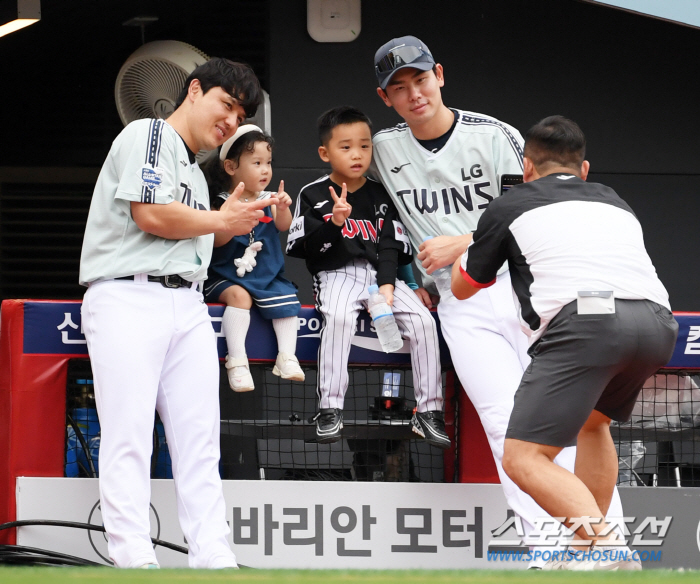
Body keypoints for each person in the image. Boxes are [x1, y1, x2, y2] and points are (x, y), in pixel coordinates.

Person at [370, 35, 624, 562]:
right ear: (386, 97)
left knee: (567, 420)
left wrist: (464, 241)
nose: (414, 93)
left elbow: (536, 206)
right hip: (459, 301)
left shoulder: (495, 135)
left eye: (419, 78)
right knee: (504, 427)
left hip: (522, 285)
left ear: (438, 74)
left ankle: (605, 544)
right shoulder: (382, 148)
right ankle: (548, 551)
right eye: (399, 87)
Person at [452, 115, 677, 570]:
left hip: (589, 326)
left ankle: (609, 546)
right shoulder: (616, 202)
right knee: (594, 425)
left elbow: (463, 287)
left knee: (523, 457)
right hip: (656, 325)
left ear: (527, 167)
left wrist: (462, 251)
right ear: (585, 169)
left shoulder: (512, 203)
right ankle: (586, 551)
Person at [79, 58, 276, 569]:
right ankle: (134, 560)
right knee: (128, 437)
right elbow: (149, 213)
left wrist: (230, 222)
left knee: (200, 439)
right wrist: (219, 218)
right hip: (128, 293)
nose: (231, 120)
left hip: (186, 300)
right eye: (226, 104)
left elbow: (196, 227)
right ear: (193, 90)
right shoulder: (150, 133)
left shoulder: (193, 165)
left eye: (240, 114)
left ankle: (213, 556)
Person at [286, 106, 449, 448]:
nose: (357, 154)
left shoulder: (381, 192)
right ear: (325, 152)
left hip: (381, 276)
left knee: (423, 322)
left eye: (364, 146)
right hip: (336, 274)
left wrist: (389, 285)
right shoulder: (313, 194)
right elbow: (306, 251)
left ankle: (428, 412)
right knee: (341, 319)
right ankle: (330, 409)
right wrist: (334, 223)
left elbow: (390, 245)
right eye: (345, 147)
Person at [204, 124, 304, 391]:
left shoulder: (269, 198)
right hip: (225, 275)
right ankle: (236, 361)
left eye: (268, 163)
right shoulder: (222, 201)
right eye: (257, 162)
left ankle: (287, 357)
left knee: (288, 297)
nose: (265, 170)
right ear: (230, 167)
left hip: (266, 276)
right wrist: (232, 222)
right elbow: (215, 241)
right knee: (240, 297)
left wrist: (282, 207)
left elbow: (284, 226)